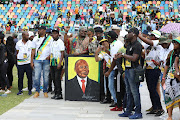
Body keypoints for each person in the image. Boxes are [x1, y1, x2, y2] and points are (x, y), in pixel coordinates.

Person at [117, 27, 142, 119]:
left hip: (134, 70)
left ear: (134, 34)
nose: (127, 34)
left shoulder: (137, 45)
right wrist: (120, 55)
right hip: (128, 69)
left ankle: (138, 112)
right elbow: (128, 57)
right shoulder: (130, 44)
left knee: (134, 92)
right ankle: (128, 110)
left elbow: (134, 58)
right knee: (128, 92)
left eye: (129, 32)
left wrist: (123, 55)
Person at [138, 30, 165, 116]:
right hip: (148, 68)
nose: (149, 37)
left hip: (155, 68)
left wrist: (139, 36)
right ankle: (154, 106)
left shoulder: (158, 42)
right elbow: (142, 45)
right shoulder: (149, 43)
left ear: (155, 36)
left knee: (153, 89)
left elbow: (149, 42)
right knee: (150, 89)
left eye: (151, 35)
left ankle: (159, 108)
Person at [31, 26, 53, 98]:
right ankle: (37, 91)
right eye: (38, 30)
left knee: (46, 77)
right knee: (37, 77)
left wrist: (50, 56)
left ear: (44, 30)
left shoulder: (50, 38)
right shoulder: (35, 39)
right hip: (37, 60)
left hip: (46, 60)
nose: (39, 31)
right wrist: (31, 61)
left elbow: (52, 49)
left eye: (40, 30)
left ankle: (45, 91)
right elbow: (33, 50)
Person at [162, 37, 180, 120]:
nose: (174, 44)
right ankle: (169, 116)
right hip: (170, 78)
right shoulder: (172, 53)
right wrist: (163, 77)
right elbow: (167, 65)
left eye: (176, 43)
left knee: (179, 98)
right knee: (169, 97)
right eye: (174, 43)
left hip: (178, 79)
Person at [50, 29, 65, 100]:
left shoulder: (60, 42)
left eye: (55, 33)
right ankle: (56, 92)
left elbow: (62, 53)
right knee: (53, 78)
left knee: (57, 78)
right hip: (52, 61)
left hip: (58, 61)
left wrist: (60, 63)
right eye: (53, 34)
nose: (54, 35)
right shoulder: (52, 42)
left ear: (58, 34)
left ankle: (59, 94)